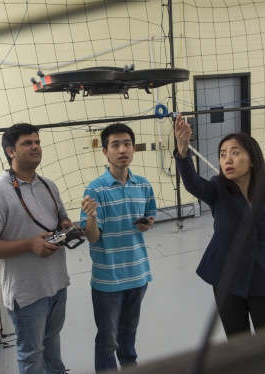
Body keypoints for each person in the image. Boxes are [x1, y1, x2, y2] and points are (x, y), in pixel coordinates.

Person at [173, 114, 265, 338]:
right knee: (238, 343)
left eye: (235, 153)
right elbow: (192, 183)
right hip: (226, 277)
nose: (227, 159)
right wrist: (183, 152)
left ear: (252, 159)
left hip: (263, 277)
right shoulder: (217, 188)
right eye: (222, 155)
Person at [0, 123, 72, 374]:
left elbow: (60, 217)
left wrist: (66, 225)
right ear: (10, 151)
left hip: (56, 283)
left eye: (37, 141)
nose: (35, 146)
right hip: (26, 293)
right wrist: (29, 244)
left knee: (53, 343)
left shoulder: (49, 185)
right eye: (27, 143)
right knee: (31, 355)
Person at [80, 123, 156, 372]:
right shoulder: (95, 189)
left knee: (128, 332)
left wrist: (148, 223)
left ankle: (129, 365)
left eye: (127, 144)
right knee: (107, 340)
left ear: (133, 148)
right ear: (105, 151)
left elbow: (150, 215)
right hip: (108, 280)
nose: (122, 149)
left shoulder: (143, 185)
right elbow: (92, 237)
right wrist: (91, 217)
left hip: (138, 275)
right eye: (115, 145)